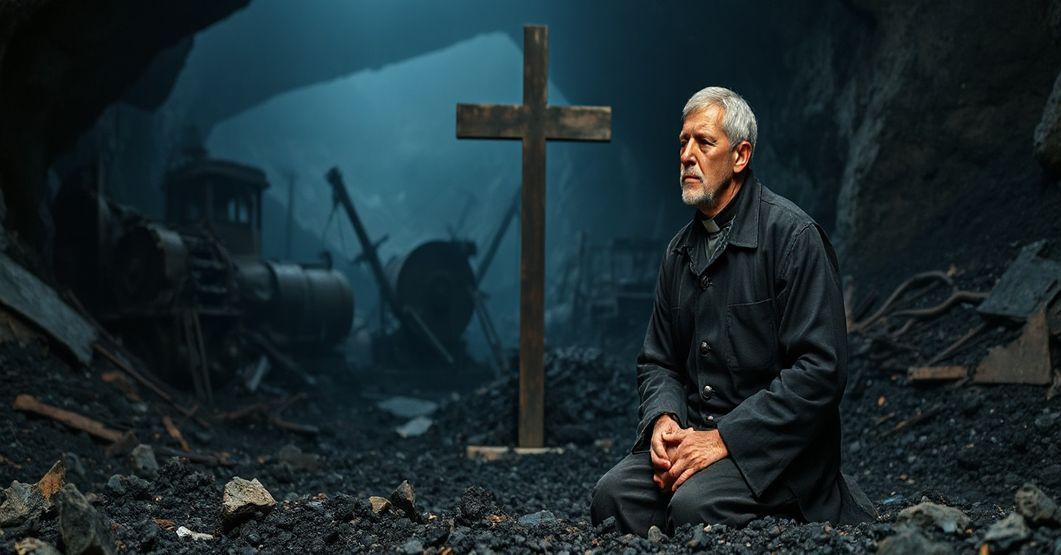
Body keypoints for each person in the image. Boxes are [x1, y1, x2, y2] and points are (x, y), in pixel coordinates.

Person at [590, 86, 877, 535]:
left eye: (703, 143)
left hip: (780, 453)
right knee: (612, 498)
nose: (687, 155)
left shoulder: (794, 238)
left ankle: (820, 504)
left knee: (692, 509)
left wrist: (724, 439)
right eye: (682, 142)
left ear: (740, 156)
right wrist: (665, 420)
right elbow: (658, 360)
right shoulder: (678, 252)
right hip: (696, 438)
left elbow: (821, 370)